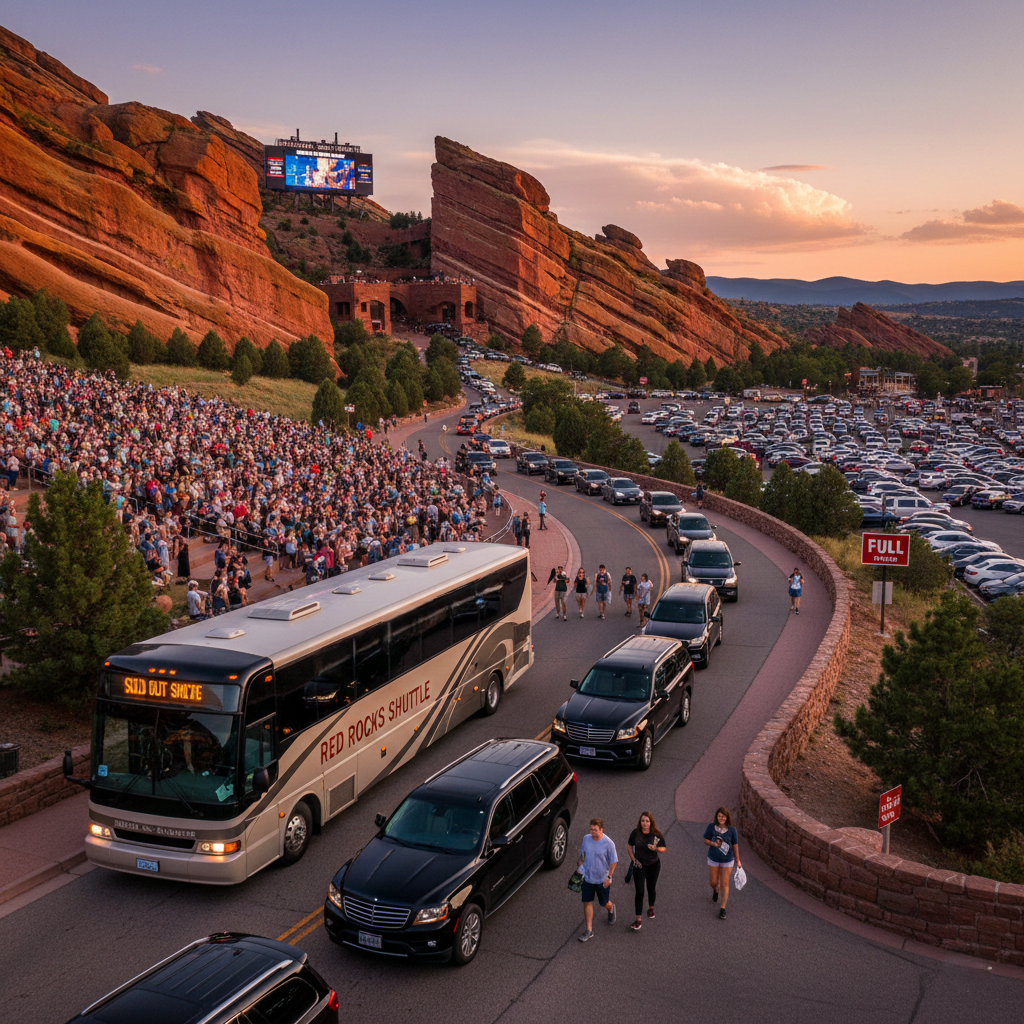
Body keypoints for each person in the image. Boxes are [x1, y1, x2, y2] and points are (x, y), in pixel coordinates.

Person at [577, 817, 618, 942]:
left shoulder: (608, 843)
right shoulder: (586, 838)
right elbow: (582, 855)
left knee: (603, 902)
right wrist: (580, 866)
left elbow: (614, 861)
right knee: (587, 902)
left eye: (595, 830)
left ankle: (611, 908)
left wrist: (609, 877)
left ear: (601, 829)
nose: (592, 832)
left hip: (602, 879)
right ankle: (589, 930)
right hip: (588, 878)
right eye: (591, 829)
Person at [627, 811, 667, 930]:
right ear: (640, 822)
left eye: (647, 821)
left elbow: (664, 848)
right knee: (639, 892)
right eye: (643, 821)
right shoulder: (636, 833)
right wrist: (633, 859)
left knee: (651, 888)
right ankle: (638, 919)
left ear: (651, 822)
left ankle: (651, 907)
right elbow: (629, 846)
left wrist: (656, 848)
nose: (645, 823)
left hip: (653, 865)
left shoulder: (656, 834)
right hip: (639, 866)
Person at [703, 806, 742, 920]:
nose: (721, 818)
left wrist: (738, 860)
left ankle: (722, 908)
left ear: (727, 817)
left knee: (724, 884)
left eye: (723, 816)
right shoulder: (711, 827)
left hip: (727, 860)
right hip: (713, 858)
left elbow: (735, 846)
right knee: (713, 882)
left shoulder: (732, 830)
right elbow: (705, 840)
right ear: (716, 817)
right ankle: (715, 890)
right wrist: (713, 843)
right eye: (719, 816)